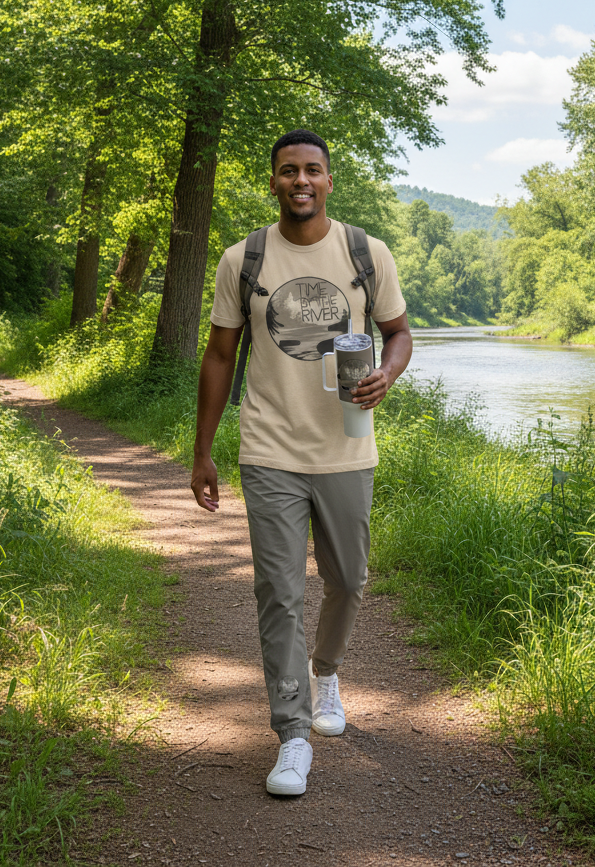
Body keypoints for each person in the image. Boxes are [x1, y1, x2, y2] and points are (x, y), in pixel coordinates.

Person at [191, 128, 412, 796]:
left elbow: (398, 334)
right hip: (270, 449)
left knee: (348, 579)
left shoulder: (366, 253)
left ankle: (326, 673)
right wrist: (202, 451)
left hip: (346, 447)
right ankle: (292, 734)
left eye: (312, 170)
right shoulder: (244, 259)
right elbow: (220, 356)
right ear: (273, 181)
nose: (300, 181)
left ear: (329, 180)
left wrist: (388, 375)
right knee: (278, 593)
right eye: (288, 171)